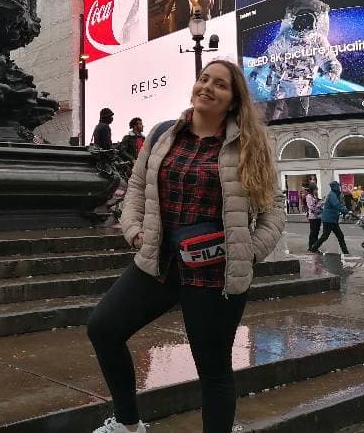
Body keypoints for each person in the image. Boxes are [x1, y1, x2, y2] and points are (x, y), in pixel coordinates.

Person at [87, 60, 285, 433]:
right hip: (158, 262)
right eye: (203, 79)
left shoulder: (251, 145)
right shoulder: (164, 134)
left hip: (216, 273)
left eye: (220, 85)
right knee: (103, 328)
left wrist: (248, 251)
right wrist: (132, 230)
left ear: (233, 99)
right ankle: (128, 424)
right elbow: (135, 189)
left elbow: (273, 212)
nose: (207, 87)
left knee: (212, 369)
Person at [310, 181, 350, 255]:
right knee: (329, 236)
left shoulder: (335, 194)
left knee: (332, 236)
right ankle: (313, 248)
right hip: (329, 219)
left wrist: (345, 209)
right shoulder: (332, 195)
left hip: (332, 219)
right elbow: (336, 205)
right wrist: (346, 211)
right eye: (338, 186)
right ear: (335, 187)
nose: (339, 187)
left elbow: (340, 204)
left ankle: (313, 248)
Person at [305, 185, 322, 252]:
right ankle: (310, 246)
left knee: (317, 232)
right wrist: (318, 206)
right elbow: (311, 206)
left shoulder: (315, 196)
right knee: (313, 232)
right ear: (312, 190)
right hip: (312, 217)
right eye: (315, 190)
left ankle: (315, 247)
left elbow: (317, 203)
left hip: (318, 216)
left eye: (317, 190)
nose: (316, 191)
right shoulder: (309, 196)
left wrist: (320, 203)